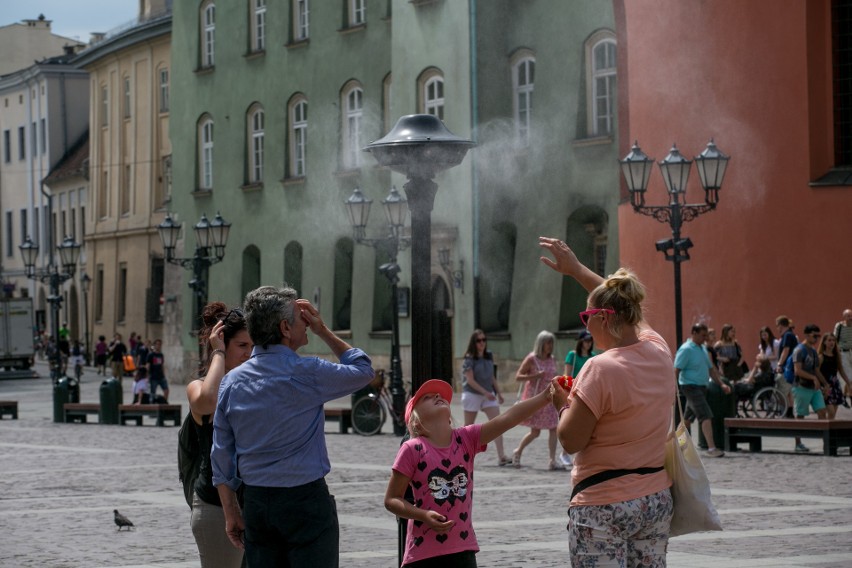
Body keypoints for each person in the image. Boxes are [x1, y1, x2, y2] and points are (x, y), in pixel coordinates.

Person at [212, 286, 375, 567]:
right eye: (304, 321)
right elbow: (363, 370)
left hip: (257, 502)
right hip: (305, 501)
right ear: (285, 327)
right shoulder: (308, 372)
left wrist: (231, 512)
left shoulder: (231, 382)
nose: (309, 326)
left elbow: (221, 453)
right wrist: (324, 330)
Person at [539, 236, 675, 567]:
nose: (586, 326)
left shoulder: (599, 368)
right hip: (655, 498)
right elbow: (626, 307)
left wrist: (561, 402)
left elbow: (571, 440)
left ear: (604, 318)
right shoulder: (659, 349)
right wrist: (577, 270)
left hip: (604, 504)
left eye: (588, 317)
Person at [385, 378, 551, 567]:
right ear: (416, 421)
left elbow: (508, 418)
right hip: (423, 555)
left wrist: (546, 397)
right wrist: (422, 515)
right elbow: (392, 499)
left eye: (439, 395)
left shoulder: (466, 439)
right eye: (427, 398)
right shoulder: (411, 449)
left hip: (463, 550)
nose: (437, 396)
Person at [187, 302, 253, 568]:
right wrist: (218, 353)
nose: (249, 353)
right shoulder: (198, 386)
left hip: (258, 506)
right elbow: (208, 401)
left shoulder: (253, 385)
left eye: (253, 345)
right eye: (242, 346)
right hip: (215, 508)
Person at [674, 323, 731, 458]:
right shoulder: (686, 349)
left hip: (702, 387)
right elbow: (676, 369)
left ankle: (678, 445)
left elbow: (711, 369)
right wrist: (672, 388)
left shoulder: (703, 348)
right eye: (702, 335)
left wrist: (721, 384)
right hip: (690, 386)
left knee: (687, 419)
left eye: (706, 335)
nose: (705, 338)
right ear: (694, 333)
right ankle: (711, 448)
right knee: (705, 415)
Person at [511, 330, 563, 470]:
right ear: (541, 343)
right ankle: (518, 451)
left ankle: (552, 460)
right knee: (535, 432)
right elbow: (518, 376)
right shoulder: (532, 358)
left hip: (550, 398)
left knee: (553, 429)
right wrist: (534, 376)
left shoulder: (552, 358)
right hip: (536, 399)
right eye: (547, 343)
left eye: (551, 343)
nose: (550, 346)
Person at [461, 330, 511, 466]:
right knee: (468, 428)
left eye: (484, 340)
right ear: (474, 342)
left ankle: (502, 456)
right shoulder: (469, 358)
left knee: (498, 424)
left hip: (488, 394)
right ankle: (463, 455)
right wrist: (484, 392)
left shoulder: (489, 356)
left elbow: (491, 377)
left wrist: (499, 393)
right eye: (479, 340)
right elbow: (470, 380)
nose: (482, 343)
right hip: (472, 394)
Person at [791, 324, 829, 452]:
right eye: (815, 335)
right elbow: (797, 371)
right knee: (800, 416)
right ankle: (798, 443)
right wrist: (813, 378)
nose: (817, 338)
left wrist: (825, 383)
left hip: (814, 388)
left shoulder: (813, 351)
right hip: (801, 387)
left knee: (822, 412)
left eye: (819, 336)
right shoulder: (799, 350)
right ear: (806, 335)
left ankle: (826, 442)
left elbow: (816, 370)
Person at [817, 332, 851, 419]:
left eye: (833, 340)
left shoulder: (836, 356)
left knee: (832, 415)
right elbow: (816, 371)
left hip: (835, 385)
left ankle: (828, 431)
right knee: (828, 411)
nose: (832, 342)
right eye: (829, 340)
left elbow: (841, 370)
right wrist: (823, 384)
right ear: (824, 342)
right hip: (825, 386)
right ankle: (822, 429)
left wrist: (848, 382)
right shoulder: (821, 356)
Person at [776, 315, 799, 417]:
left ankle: (785, 412)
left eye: (777, 326)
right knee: (789, 392)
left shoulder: (787, 335)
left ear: (780, 325)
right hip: (791, 367)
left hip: (787, 367)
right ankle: (789, 413)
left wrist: (780, 363)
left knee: (782, 391)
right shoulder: (791, 335)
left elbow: (786, 350)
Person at [833, 309, 852, 406]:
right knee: (849, 377)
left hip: (851, 352)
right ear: (844, 317)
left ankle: (844, 396)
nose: (851, 317)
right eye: (848, 316)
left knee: (848, 377)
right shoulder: (839, 326)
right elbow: (834, 339)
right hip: (843, 353)